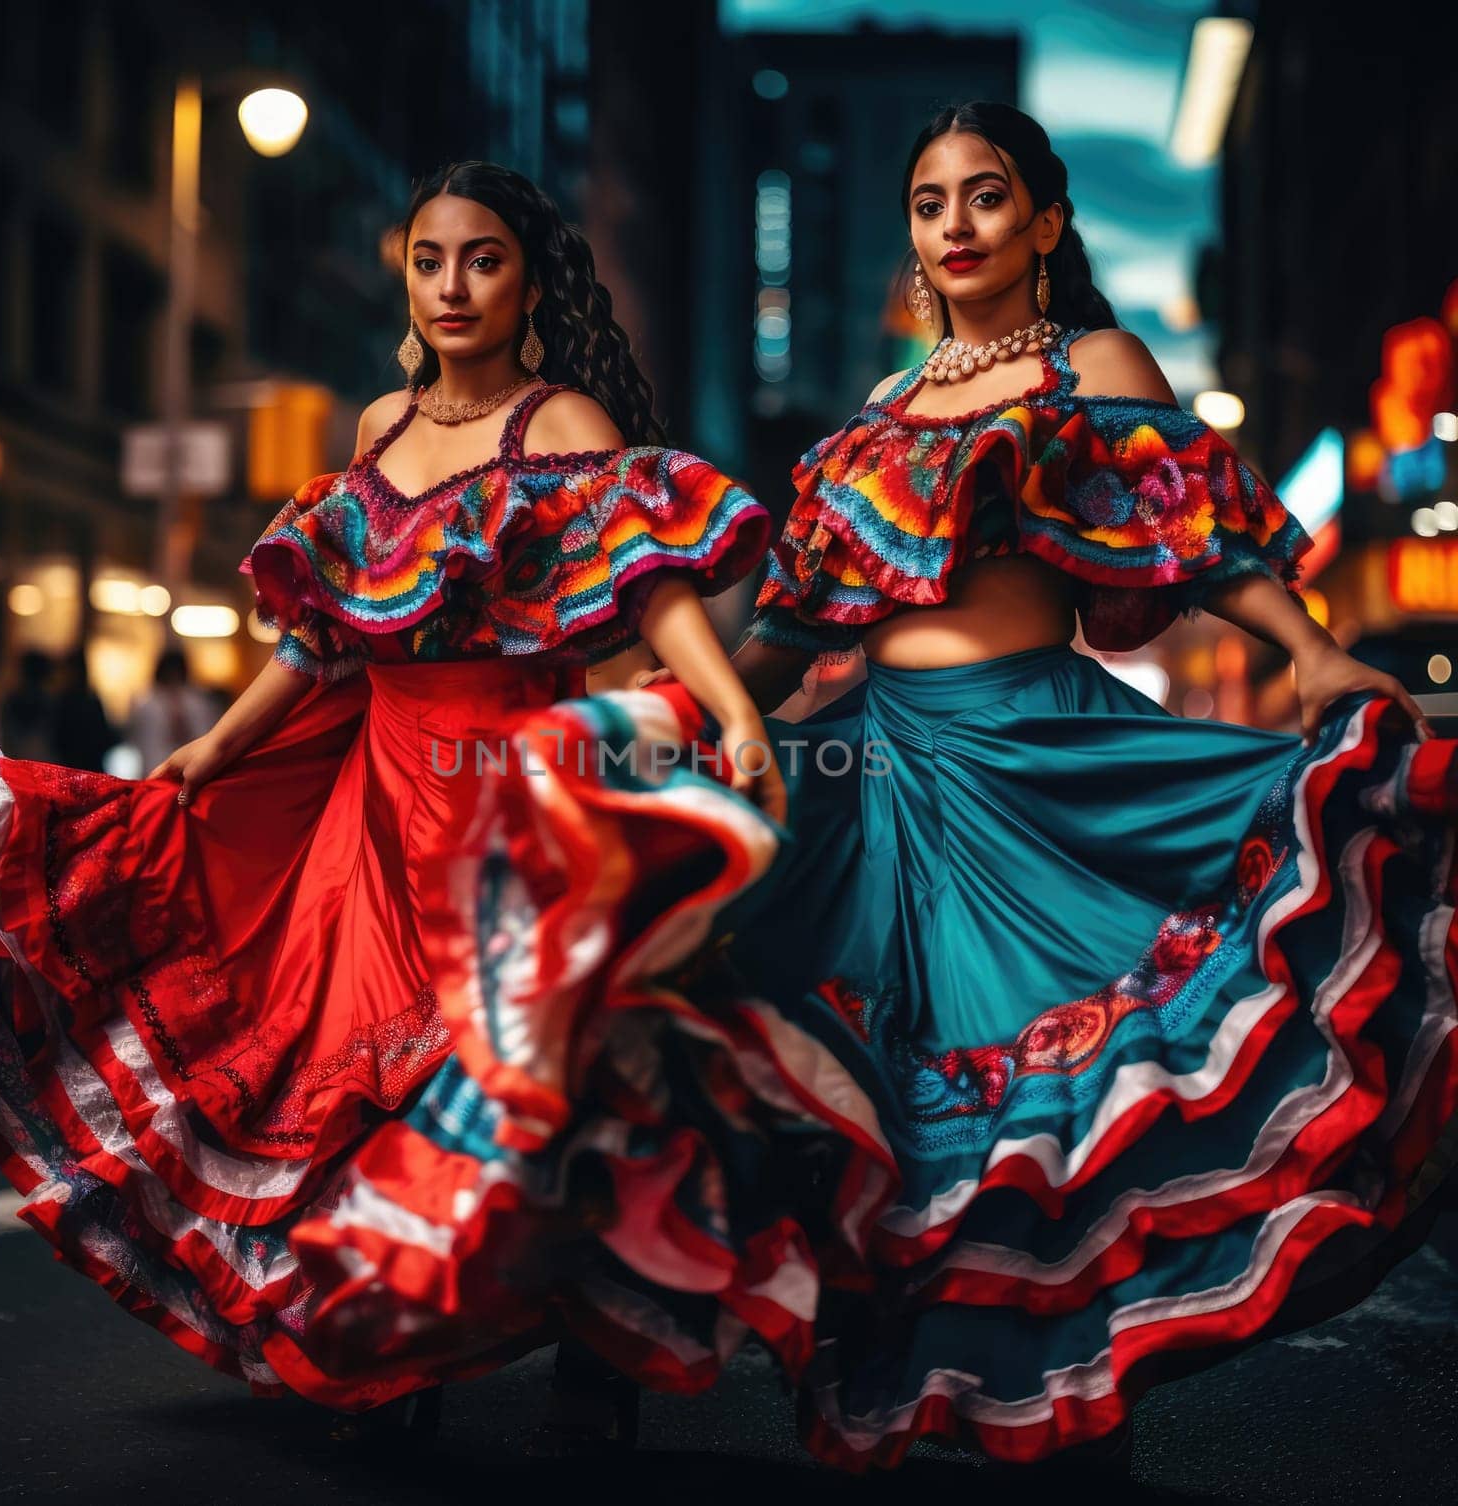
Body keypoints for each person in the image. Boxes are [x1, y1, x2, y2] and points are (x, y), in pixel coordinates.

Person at [410, 103, 1458, 1473]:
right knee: (715, 1023)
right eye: (927, 202)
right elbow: (790, 635)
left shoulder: (1094, 361)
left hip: (1041, 771)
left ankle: (1073, 1394)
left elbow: (1189, 531)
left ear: (1045, 220)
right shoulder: (883, 412)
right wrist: (686, 710)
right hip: (872, 771)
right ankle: (605, 1356)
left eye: (983, 196)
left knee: (1061, 1107)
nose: (952, 226)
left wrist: (1313, 652)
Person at [0, 160, 783, 1440]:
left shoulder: (565, 424)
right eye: (429, 260)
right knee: (361, 1084)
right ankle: (386, 1341)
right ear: (405, 277)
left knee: (542, 1085)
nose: (453, 285)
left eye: (482, 260)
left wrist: (733, 710)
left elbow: (653, 594)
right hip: (375, 800)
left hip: (520, 799)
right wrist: (215, 750)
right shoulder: (378, 431)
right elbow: (324, 643)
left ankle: (598, 1344)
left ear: (527, 282)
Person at [126, 649, 219, 779]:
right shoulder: (145, 703)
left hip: (193, 766)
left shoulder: (198, 701)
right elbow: (138, 739)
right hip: (155, 766)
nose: (173, 676)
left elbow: (208, 734)